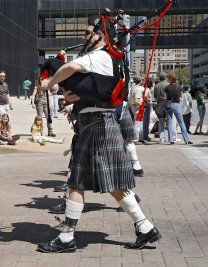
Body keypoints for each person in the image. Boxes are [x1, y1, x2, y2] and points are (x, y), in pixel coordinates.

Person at [37, 15, 160, 253]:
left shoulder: (98, 56)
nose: (84, 37)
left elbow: (70, 67)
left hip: (95, 124)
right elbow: (94, 91)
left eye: (88, 33)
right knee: (114, 184)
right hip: (100, 122)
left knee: (76, 181)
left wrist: (49, 83)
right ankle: (145, 228)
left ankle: (66, 238)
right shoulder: (112, 60)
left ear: (100, 36)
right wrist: (70, 98)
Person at [165, 73, 193, 145]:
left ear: (170, 79)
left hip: (168, 104)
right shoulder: (179, 87)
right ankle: (187, 140)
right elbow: (181, 96)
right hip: (176, 104)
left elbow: (166, 96)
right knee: (181, 122)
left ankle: (171, 140)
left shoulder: (167, 87)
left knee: (170, 122)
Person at [153, 72, 171, 143]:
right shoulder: (168, 85)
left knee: (161, 122)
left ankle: (162, 138)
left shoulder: (156, 86)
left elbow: (155, 96)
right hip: (167, 103)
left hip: (159, 103)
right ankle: (171, 138)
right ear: (165, 77)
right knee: (169, 121)